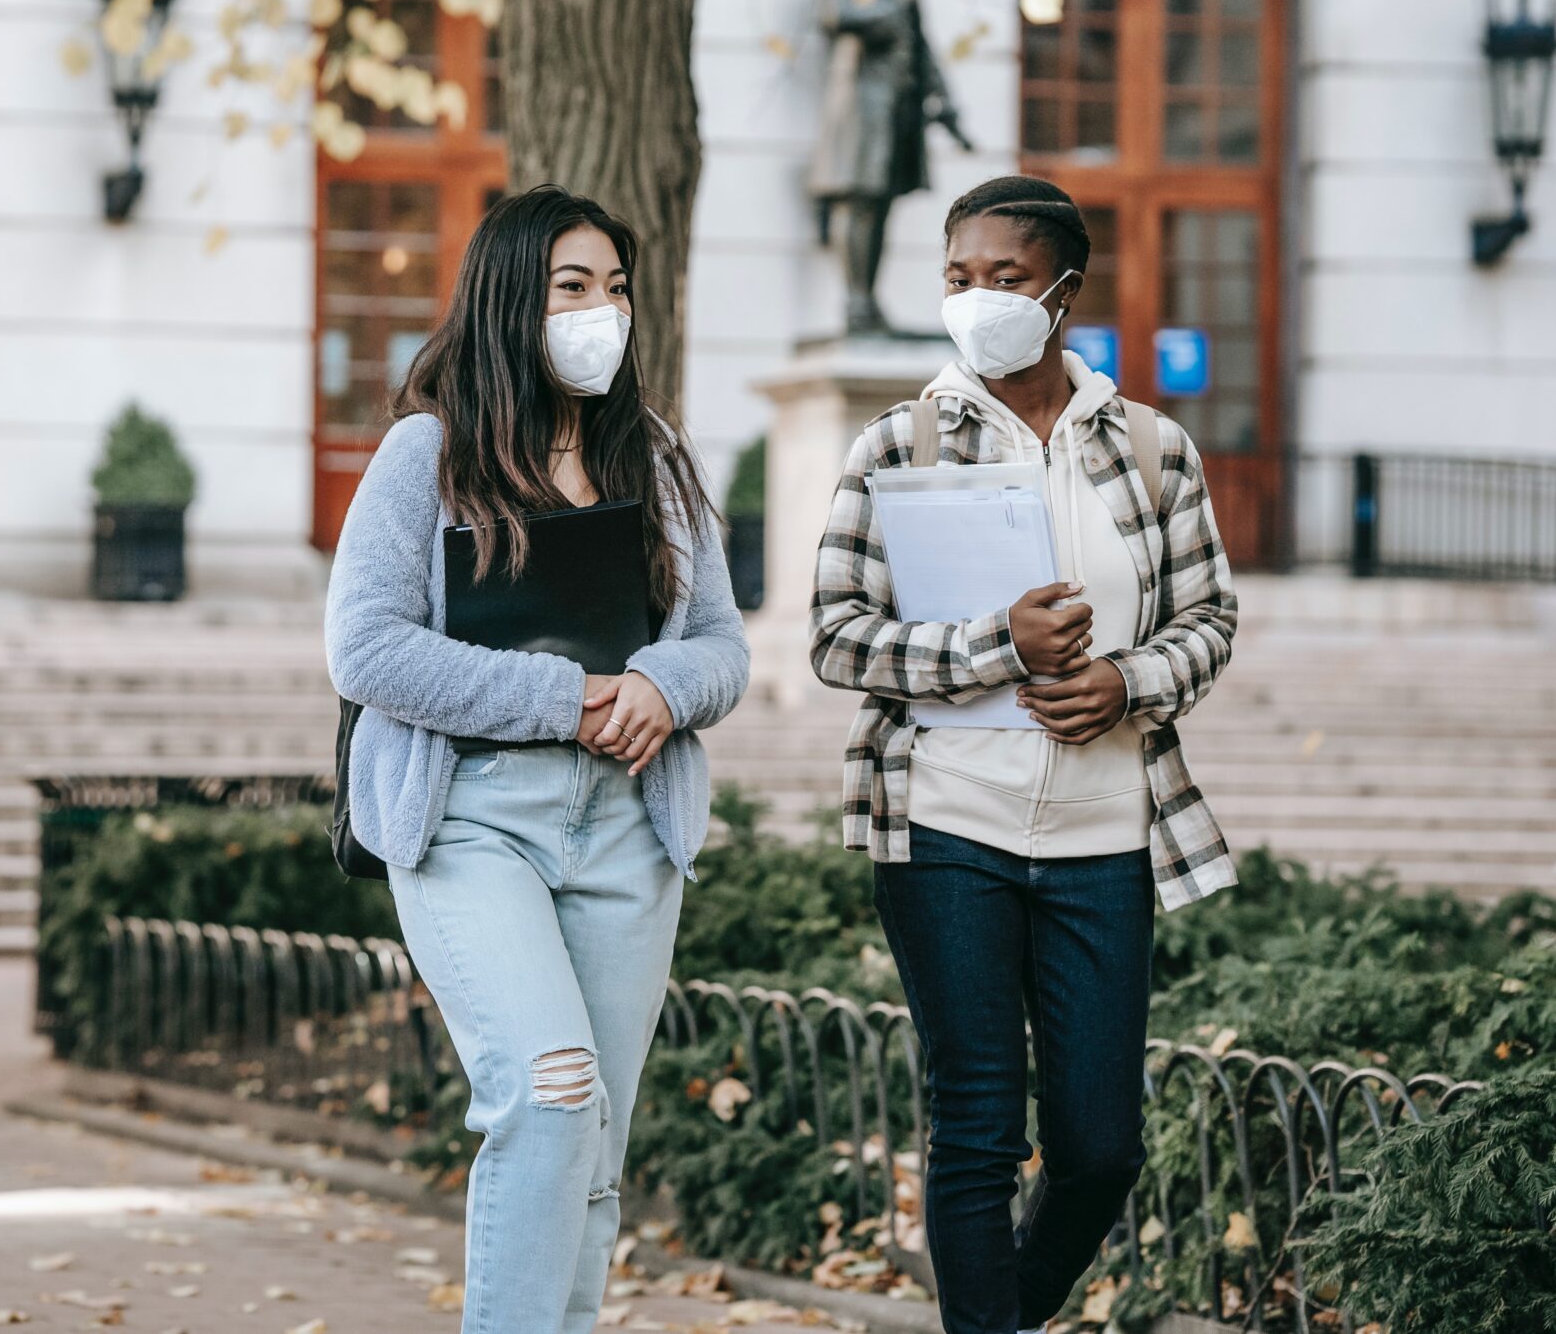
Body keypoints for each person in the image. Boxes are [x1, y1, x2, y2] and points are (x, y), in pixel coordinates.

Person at [807, 175, 1240, 1334]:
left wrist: (1123, 682)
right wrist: (996, 646)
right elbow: (837, 638)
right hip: (947, 826)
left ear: (1063, 291)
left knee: (1099, 1148)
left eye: (1004, 280)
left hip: (1105, 836)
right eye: (958, 279)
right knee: (979, 1127)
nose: (978, 301)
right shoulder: (894, 444)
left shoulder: (1152, 449)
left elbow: (1207, 624)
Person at [325, 183, 752, 1333]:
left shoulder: (648, 454)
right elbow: (362, 648)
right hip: (471, 818)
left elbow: (720, 645)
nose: (599, 312)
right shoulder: (430, 451)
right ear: (513, 299)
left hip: (626, 829)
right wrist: (564, 699)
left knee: (594, 1143)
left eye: (614, 289)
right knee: (552, 1098)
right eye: (573, 287)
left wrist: (662, 686)